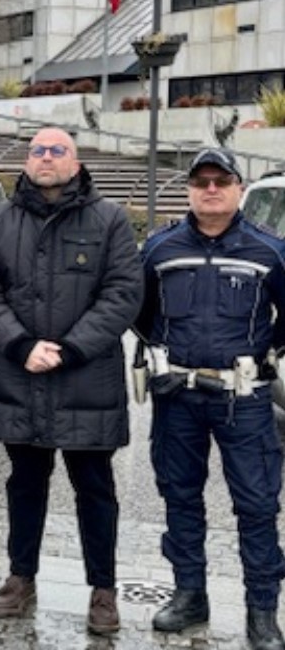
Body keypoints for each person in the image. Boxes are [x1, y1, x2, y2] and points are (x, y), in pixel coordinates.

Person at [0, 127, 142, 635]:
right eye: (38, 151)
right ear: (27, 161)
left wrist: (70, 349)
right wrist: (20, 345)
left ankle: (103, 588)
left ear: (74, 161)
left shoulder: (109, 219)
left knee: (94, 487)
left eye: (56, 150)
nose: (46, 158)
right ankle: (22, 576)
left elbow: (123, 293)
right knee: (24, 484)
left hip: (86, 379)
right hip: (20, 376)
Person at [138, 148, 285, 650]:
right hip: (178, 394)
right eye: (200, 182)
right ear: (189, 190)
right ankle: (190, 595)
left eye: (221, 181)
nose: (211, 189)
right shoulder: (159, 249)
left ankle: (262, 612)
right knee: (180, 497)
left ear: (238, 188)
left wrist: (265, 352)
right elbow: (140, 311)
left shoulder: (269, 250)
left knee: (258, 504)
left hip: (242, 398)